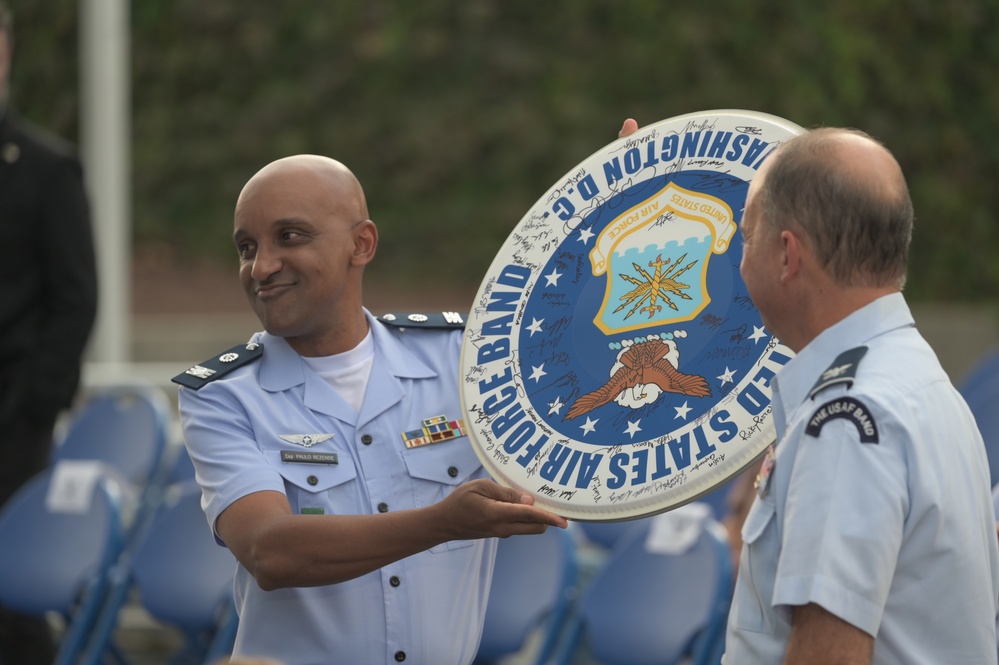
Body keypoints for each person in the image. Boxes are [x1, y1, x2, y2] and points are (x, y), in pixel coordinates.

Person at [174, 154, 568, 664]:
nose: (262, 267)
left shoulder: (462, 359)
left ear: (361, 244)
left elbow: (599, 366)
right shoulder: (223, 395)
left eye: (289, 236)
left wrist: (627, 203)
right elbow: (269, 551)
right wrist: (444, 522)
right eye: (246, 248)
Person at [725, 127, 999, 663]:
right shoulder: (915, 382)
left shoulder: (845, 421)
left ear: (787, 256)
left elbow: (830, 654)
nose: (740, 258)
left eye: (746, 235)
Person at [0, 3, 98, 663]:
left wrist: (34, 403)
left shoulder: (45, 166)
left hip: (11, 418)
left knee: (11, 596)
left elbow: (76, 298)